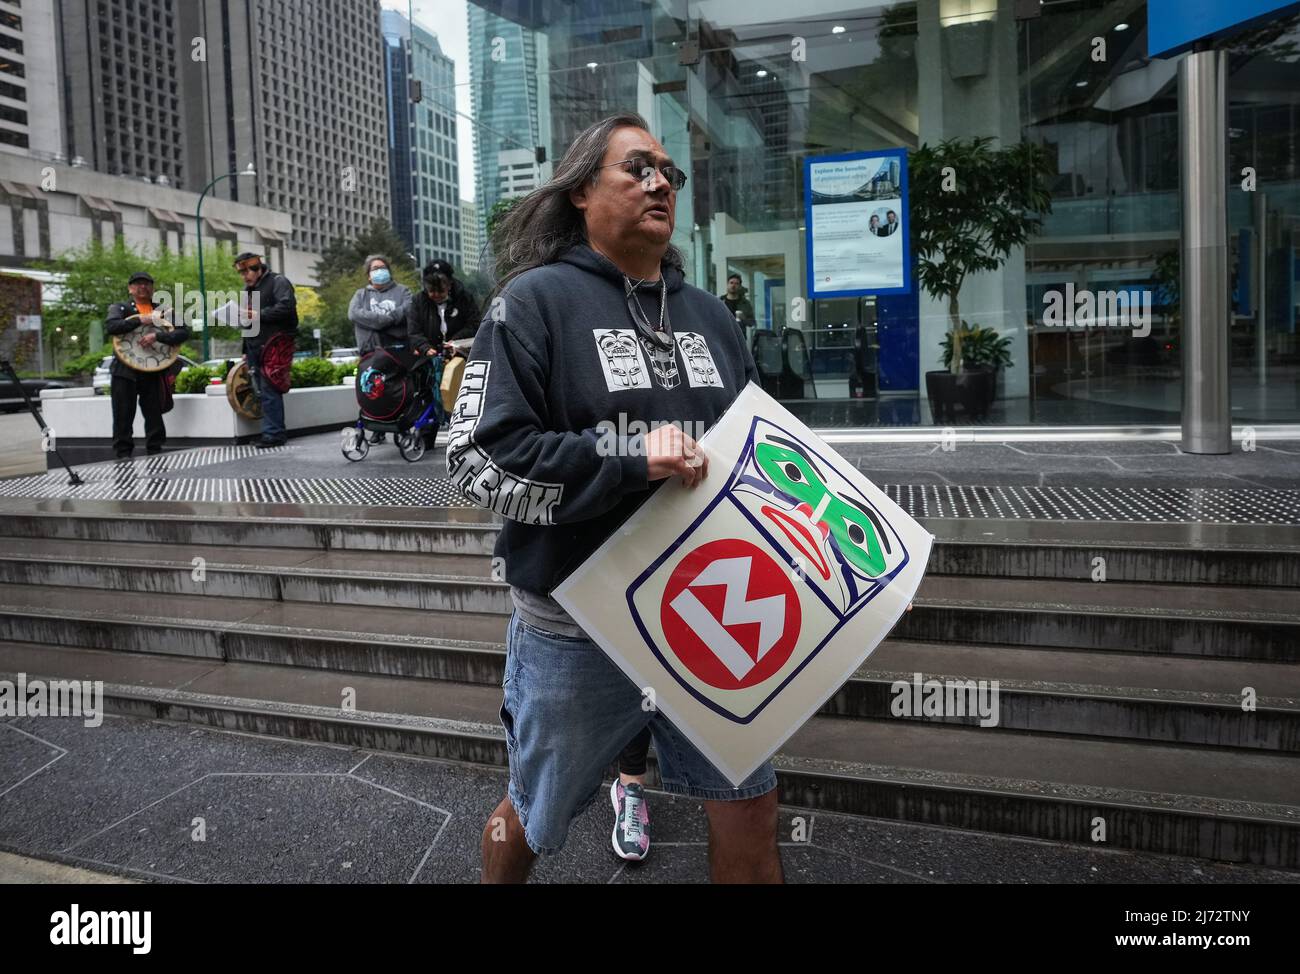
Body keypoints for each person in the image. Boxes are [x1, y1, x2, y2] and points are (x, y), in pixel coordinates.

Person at [446, 111, 783, 884]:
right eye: (637, 168)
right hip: (576, 628)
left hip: (715, 612)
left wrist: (848, 575)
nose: (661, 182)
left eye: (670, 171)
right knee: (531, 815)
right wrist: (627, 458)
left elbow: (760, 461)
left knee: (751, 808)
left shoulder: (710, 317)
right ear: (578, 192)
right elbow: (476, 465)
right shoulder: (531, 303)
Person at [104, 271, 190, 458]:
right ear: (130, 288)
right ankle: (123, 455)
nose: (142, 287)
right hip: (124, 372)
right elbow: (111, 326)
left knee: (154, 414)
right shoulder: (120, 308)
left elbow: (184, 332)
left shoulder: (164, 310)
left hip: (153, 370)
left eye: (146, 283)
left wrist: (158, 336)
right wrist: (138, 320)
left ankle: (156, 451)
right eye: (138, 284)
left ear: (152, 288)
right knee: (122, 415)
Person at [235, 251, 298, 448]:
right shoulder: (247, 291)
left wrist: (257, 314)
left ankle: (274, 434)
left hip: (276, 344)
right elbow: (248, 323)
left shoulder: (279, 281)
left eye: (248, 272)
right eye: (242, 273)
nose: (245, 276)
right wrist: (245, 348)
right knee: (261, 390)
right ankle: (270, 432)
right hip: (255, 346)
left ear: (257, 268)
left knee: (270, 388)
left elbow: (287, 308)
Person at [407, 259, 481, 354]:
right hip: (428, 354)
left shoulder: (464, 298)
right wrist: (424, 347)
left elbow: (474, 324)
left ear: (449, 285)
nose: (436, 295)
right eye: (432, 291)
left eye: (441, 291)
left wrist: (456, 340)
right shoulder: (418, 301)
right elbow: (414, 330)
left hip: (460, 352)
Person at [349, 254, 412, 354]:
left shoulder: (403, 290)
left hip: (400, 349)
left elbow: (408, 308)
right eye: (375, 268)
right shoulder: (361, 294)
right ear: (369, 276)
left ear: (389, 272)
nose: (379, 271)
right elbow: (354, 313)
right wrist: (385, 320)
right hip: (370, 351)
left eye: (383, 268)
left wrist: (391, 317)